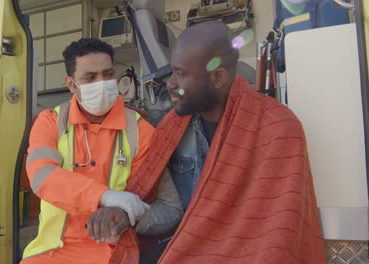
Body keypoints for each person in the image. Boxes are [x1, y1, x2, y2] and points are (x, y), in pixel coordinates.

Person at [130, 21, 326, 263]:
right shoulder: (171, 130)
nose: (170, 84)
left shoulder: (279, 127)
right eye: (172, 71)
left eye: (181, 74)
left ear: (218, 77)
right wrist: (127, 214)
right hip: (186, 249)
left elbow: (281, 233)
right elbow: (171, 211)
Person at [20, 38, 182, 264]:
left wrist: (126, 214)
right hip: (51, 252)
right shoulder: (50, 122)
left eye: (108, 74)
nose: (102, 82)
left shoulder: (140, 130)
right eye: (89, 78)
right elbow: (41, 176)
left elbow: (162, 206)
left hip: (113, 251)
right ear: (71, 84)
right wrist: (106, 197)